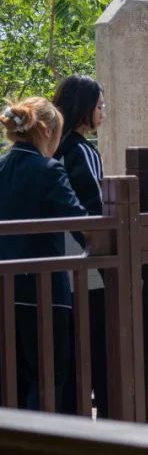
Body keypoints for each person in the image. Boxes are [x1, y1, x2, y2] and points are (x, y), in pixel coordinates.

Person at [0, 97, 86, 412]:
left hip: (4, 286)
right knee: (47, 377)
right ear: (47, 131)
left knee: (10, 379)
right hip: (43, 290)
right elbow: (77, 220)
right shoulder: (49, 169)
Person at [52, 75, 109, 417]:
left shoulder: (49, 147)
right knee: (98, 350)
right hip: (85, 269)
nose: (103, 112)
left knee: (64, 355)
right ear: (84, 109)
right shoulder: (82, 151)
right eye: (100, 106)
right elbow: (94, 208)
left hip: (51, 264)